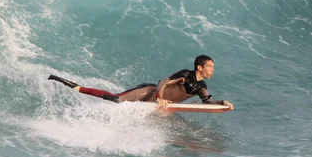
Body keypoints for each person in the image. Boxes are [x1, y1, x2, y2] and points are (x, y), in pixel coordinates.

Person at [48, 55, 234, 110]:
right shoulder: (186, 74)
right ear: (199, 67)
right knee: (115, 99)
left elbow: (207, 102)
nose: (213, 69)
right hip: (149, 92)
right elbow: (163, 82)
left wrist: (221, 103)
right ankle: (74, 85)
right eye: (210, 66)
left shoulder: (202, 87)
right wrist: (160, 97)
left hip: (157, 103)